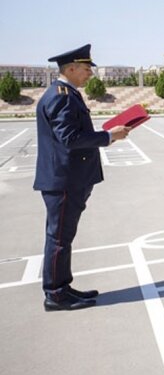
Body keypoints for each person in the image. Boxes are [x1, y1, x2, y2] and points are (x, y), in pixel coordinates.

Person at [34, 44, 130, 311]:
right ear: (72, 69)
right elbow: (70, 138)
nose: (90, 74)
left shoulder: (64, 94)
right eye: (87, 69)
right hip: (64, 179)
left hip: (66, 178)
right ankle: (55, 293)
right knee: (59, 239)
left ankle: (62, 287)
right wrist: (109, 136)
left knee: (62, 237)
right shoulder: (62, 96)